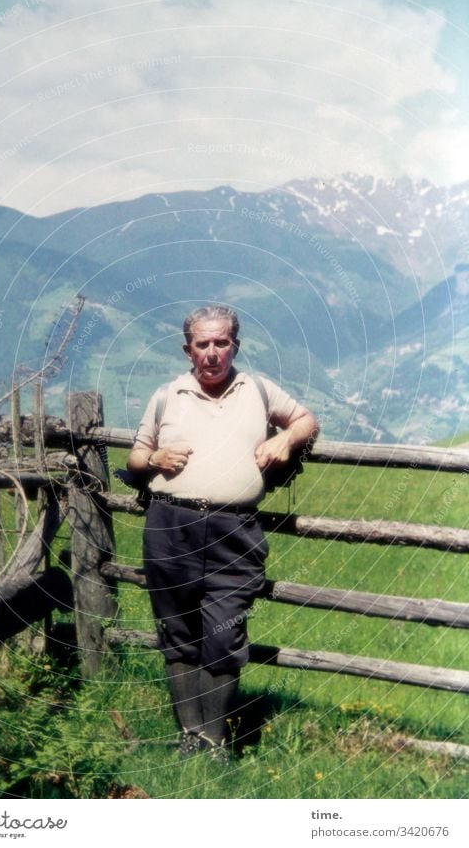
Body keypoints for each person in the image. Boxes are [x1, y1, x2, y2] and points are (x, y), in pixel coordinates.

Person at [127, 305, 319, 762]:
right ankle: (189, 737)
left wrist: (284, 439)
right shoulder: (166, 395)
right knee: (177, 634)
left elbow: (306, 419)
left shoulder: (257, 390)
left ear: (235, 344)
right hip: (170, 528)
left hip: (235, 531)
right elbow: (136, 458)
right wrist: (154, 460)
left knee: (224, 635)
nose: (212, 353)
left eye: (222, 342)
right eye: (202, 344)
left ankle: (215, 741)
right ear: (187, 349)